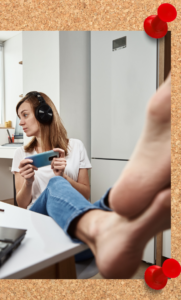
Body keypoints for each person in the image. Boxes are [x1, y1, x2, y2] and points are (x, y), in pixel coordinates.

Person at [11, 73, 171, 279]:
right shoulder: (21, 154)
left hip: (68, 227)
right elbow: (21, 206)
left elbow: (85, 195)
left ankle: (109, 226)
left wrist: (65, 178)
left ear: (44, 113)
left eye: (25, 115)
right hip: (38, 222)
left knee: (67, 190)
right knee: (56, 184)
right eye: (19, 117)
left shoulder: (75, 146)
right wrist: (29, 181)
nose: (21, 122)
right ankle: (106, 213)